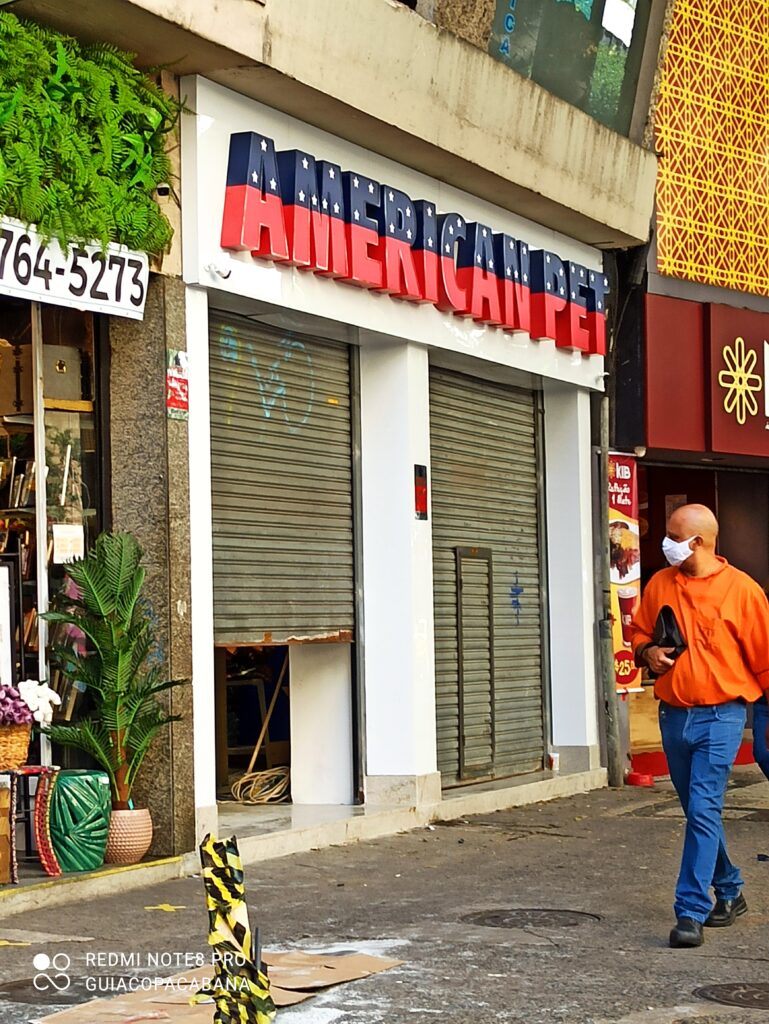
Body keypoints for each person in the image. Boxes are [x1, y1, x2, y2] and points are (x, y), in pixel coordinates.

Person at [629, 504, 769, 949]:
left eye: (673, 535)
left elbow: (765, 661)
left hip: (723, 716)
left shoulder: (743, 592)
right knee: (696, 810)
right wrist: (648, 651)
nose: (664, 542)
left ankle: (690, 910)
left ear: (699, 542)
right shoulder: (660, 584)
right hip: (673, 715)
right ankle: (729, 888)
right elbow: (638, 633)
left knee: (705, 808)